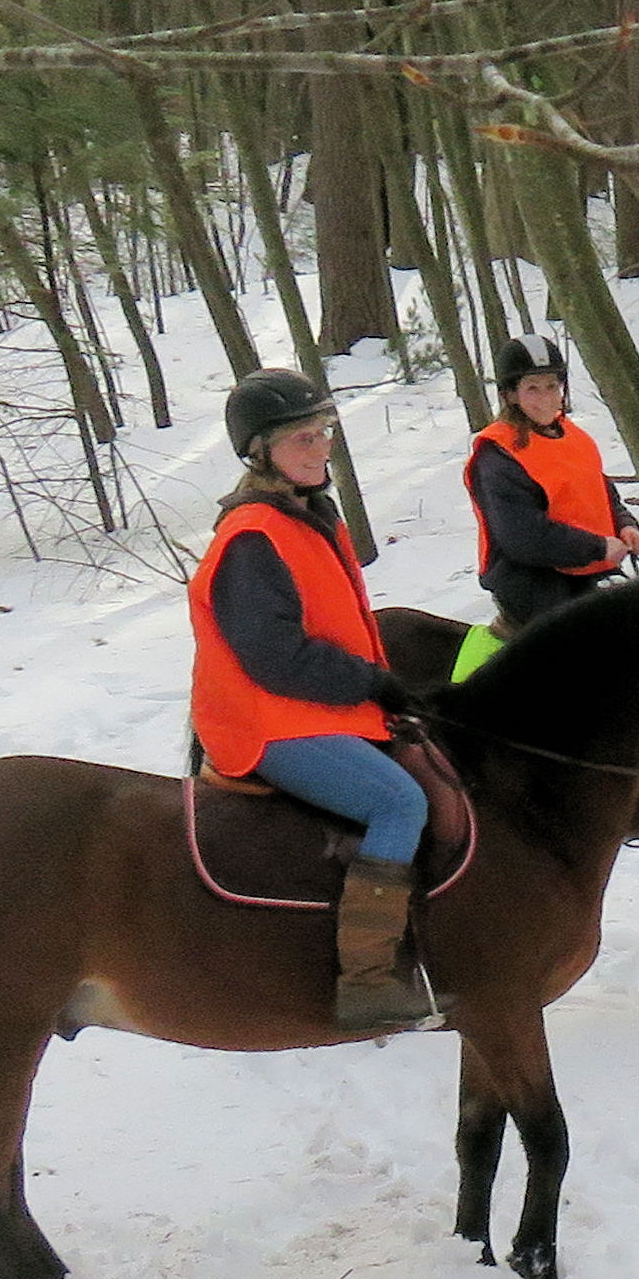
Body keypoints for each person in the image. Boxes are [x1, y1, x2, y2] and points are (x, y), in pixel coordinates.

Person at [188, 367, 434, 1031]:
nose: (320, 448)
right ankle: (367, 981)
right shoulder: (251, 538)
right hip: (265, 724)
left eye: (323, 432)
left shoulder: (307, 516)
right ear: (260, 451)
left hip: (320, 709)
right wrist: (372, 683)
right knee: (398, 800)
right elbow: (275, 659)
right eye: (302, 438)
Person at [465, 334, 639, 635]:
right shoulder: (497, 456)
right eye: (532, 389)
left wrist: (625, 526)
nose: (547, 398)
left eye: (552, 386)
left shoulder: (575, 438)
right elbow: (525, 537)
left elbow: (603, 497)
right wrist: (598, 546)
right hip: (532, 579)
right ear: (511, 396)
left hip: (589, 567)